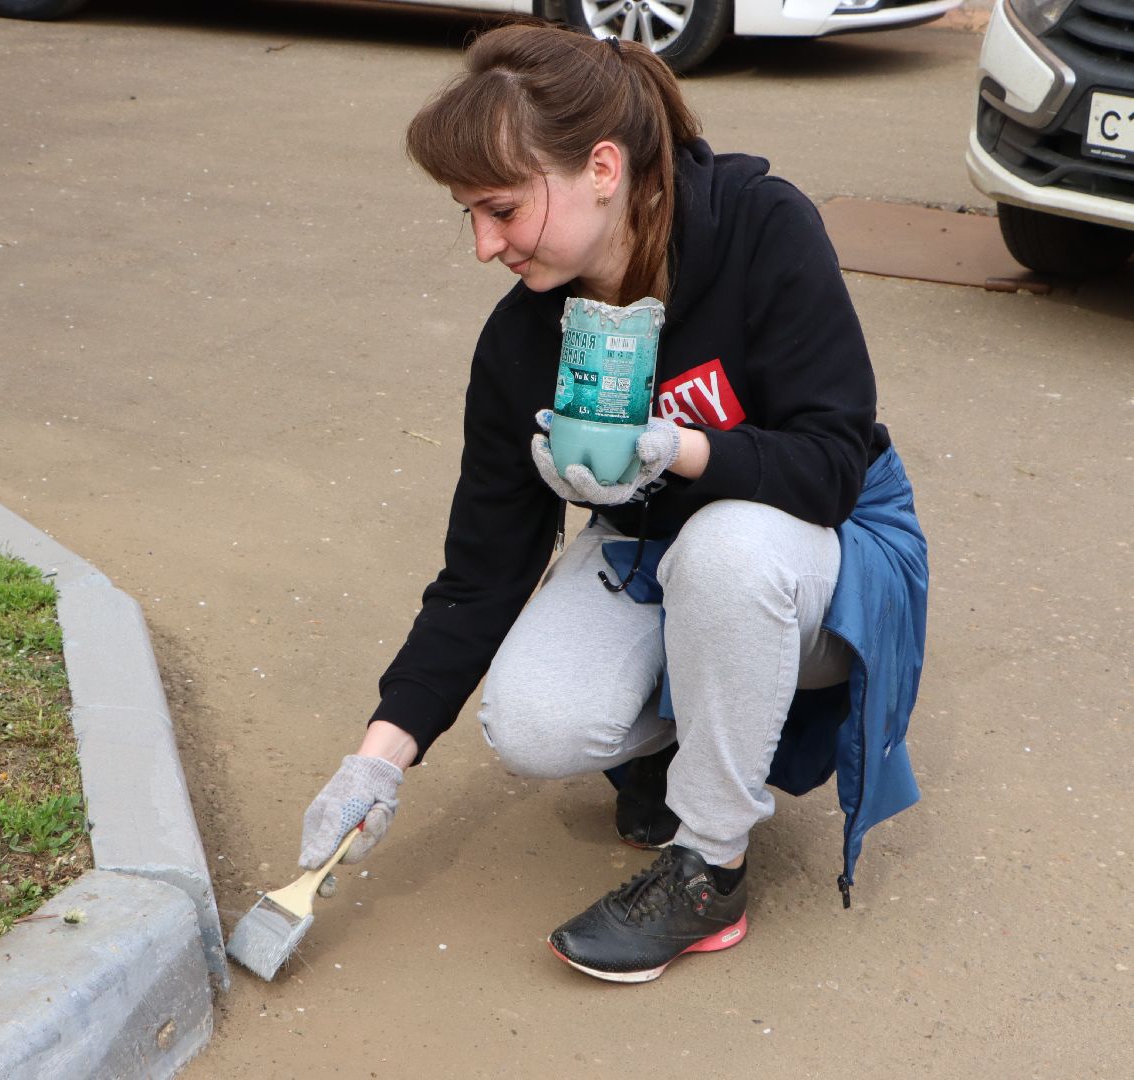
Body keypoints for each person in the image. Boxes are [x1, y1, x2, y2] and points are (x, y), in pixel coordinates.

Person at [296, 23, 929, 984]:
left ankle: (709, 864)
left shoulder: (760, 227)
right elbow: (482, 573)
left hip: (827, 552)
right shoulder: (523, 341)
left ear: (602, 167)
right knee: (534, 722)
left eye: (502, 209)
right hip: (656, 553)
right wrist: (379, 758)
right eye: (468, 214)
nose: (483, 245)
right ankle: (680, 745)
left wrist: (673, 448)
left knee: (729, 550)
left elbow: (830, 463)